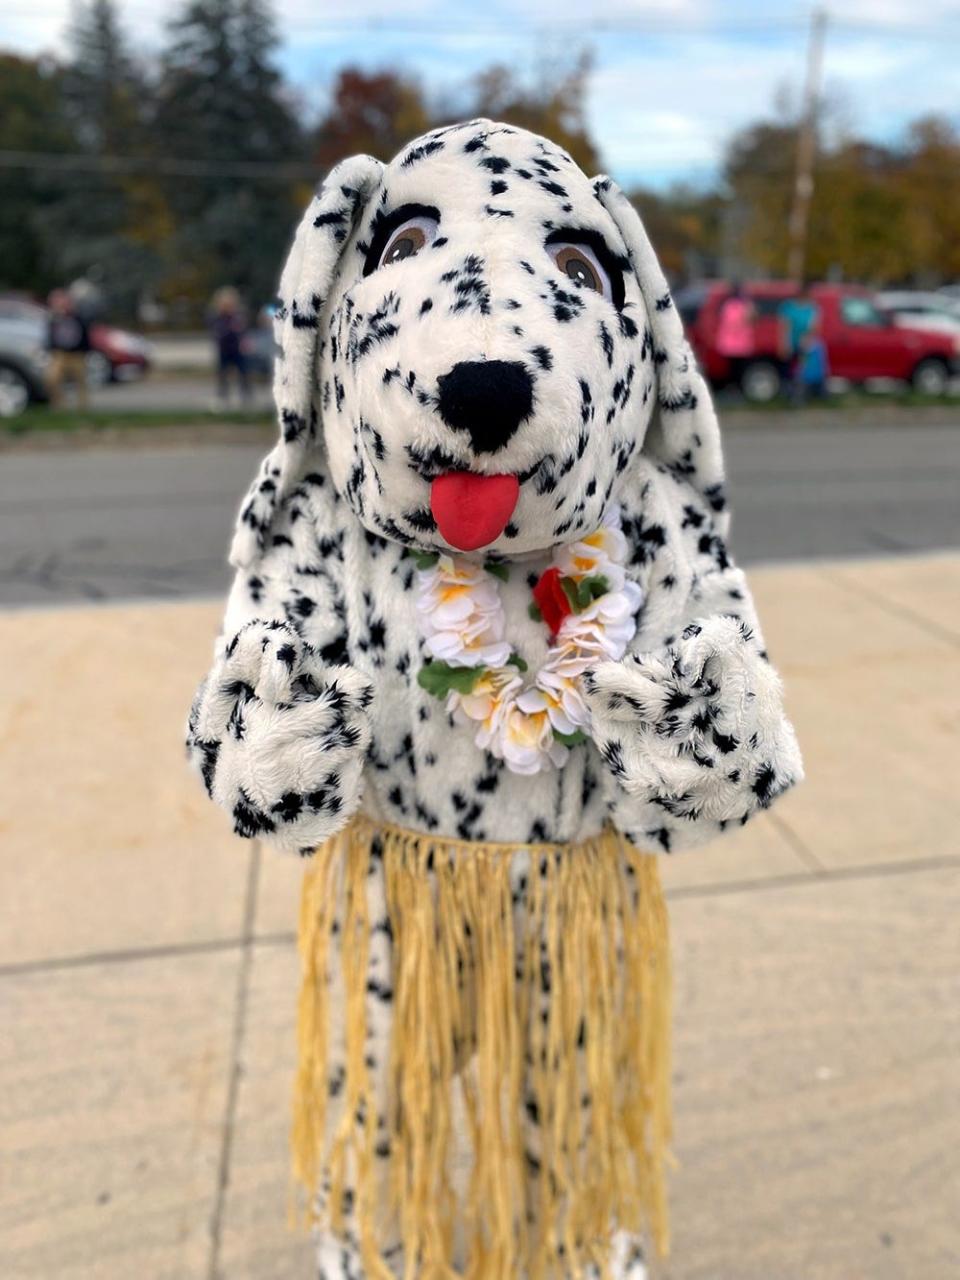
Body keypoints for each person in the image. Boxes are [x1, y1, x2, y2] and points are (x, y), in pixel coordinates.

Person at [46, 288, 91, 409]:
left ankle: (83, 407)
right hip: (60, 354)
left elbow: (85, 334)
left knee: (81, 381)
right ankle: (60, 404)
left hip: (76, 354)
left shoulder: (77, 316)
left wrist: (86, 351)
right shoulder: (54, 318)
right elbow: (51, 336)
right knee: (52, 379)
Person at [208, 286, 250, 406]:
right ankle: (223, 396)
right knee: (223, 373)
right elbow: (216, 331)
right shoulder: (217, 317)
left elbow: (242, 331)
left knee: (243, 372)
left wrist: (244, 341)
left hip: (237, 349)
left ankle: (245, 395)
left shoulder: (237, 316)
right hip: (224, 349)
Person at [779, 284, 820, 405]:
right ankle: (789, 392)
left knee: (802, 370)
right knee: (789, 369)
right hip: (791, 342)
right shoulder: (789, 307)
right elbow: (784, 326)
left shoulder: (812, 308)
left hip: (805, 344)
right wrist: (784, 343)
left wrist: (808, 338)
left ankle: (800, 394)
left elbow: (815, 326)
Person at [714, 281, 756, 389]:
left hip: (741, 343)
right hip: (731, 344)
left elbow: (752, 319)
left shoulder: (745, 305)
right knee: (731, 369)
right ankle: (732, 388)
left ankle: (738, 388)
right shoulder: (728, 305)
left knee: (740, 368)